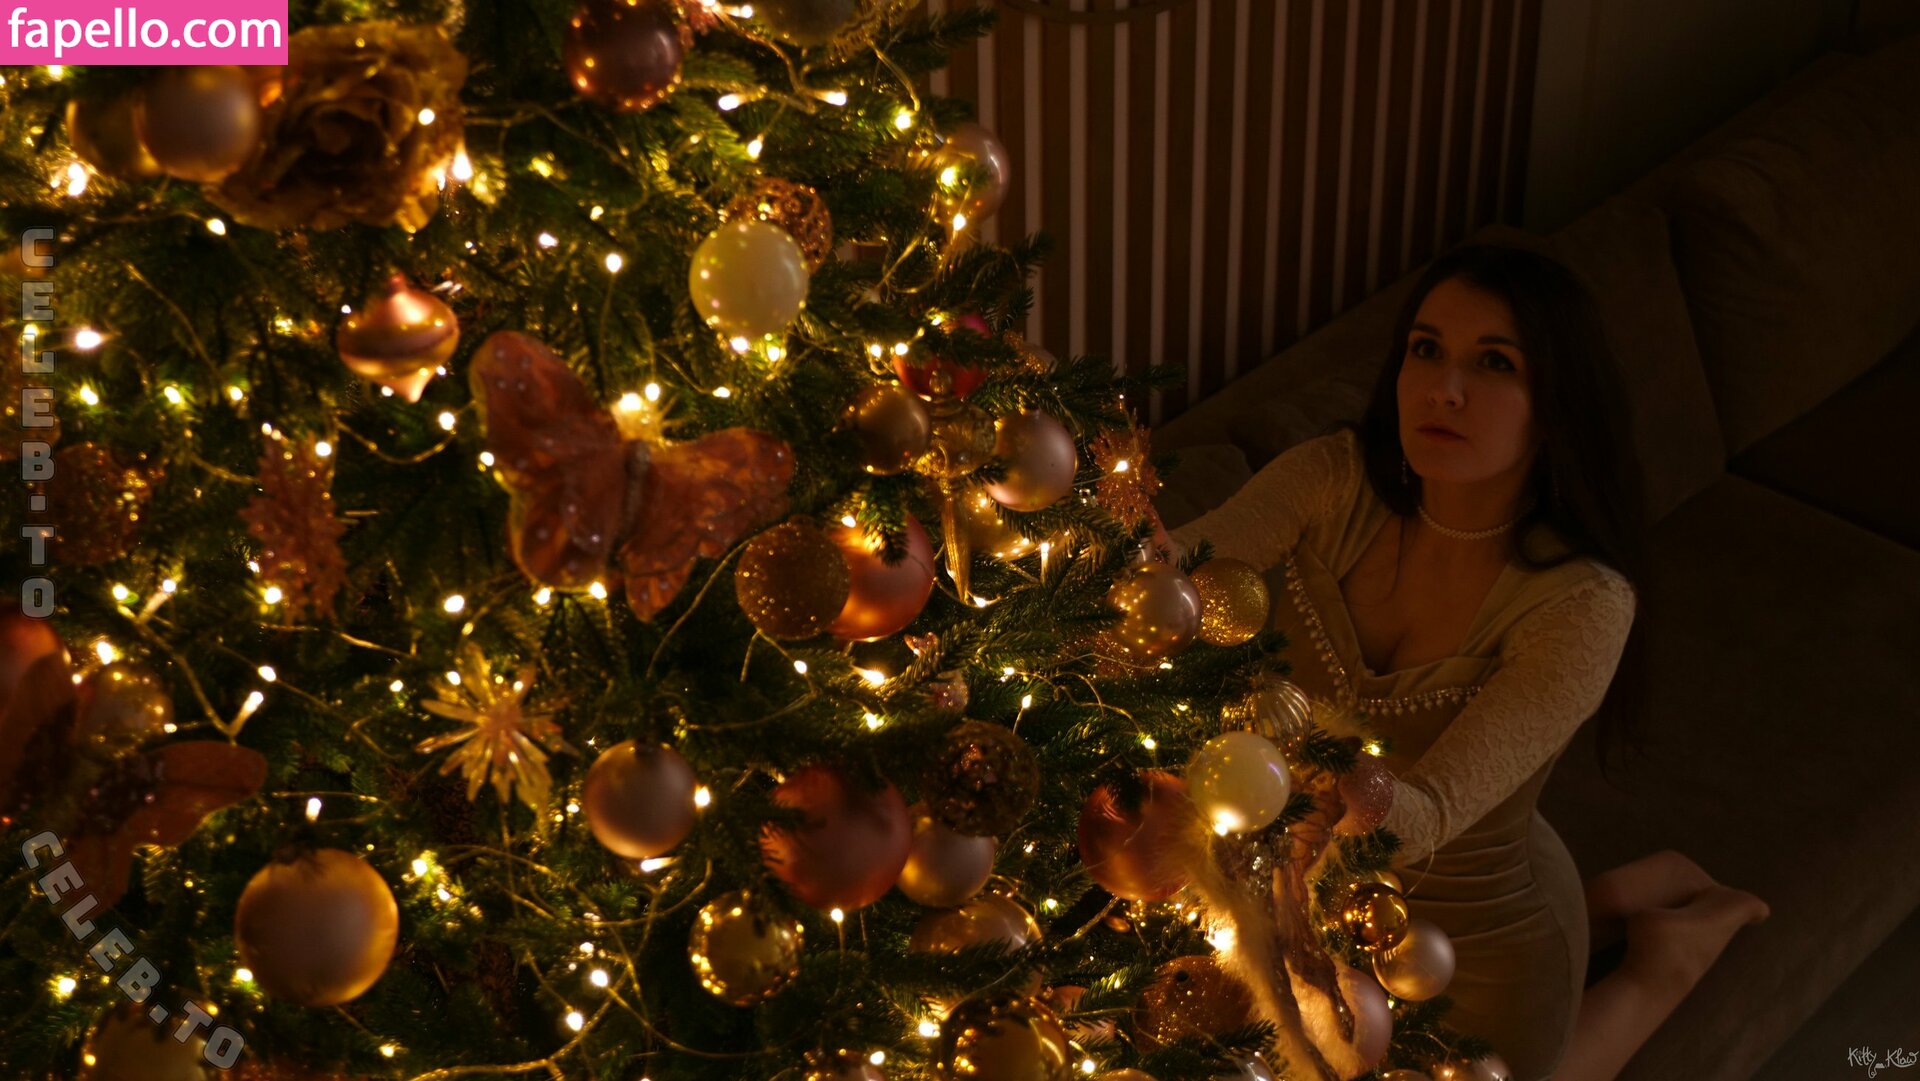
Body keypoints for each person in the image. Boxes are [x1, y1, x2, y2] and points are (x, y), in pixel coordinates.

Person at [1165, 243, 1768, 1080]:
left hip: (1469, 946)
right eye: (1426, 349)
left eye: (1494, 363)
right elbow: (1176, 575)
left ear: (1555, 404)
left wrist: (1310, 765)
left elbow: (1422, 817)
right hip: (1291, 907)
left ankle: (1667, 961)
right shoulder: (1332, 478)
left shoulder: (1584, 604)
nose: (1443, 389)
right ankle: (1618, 895)